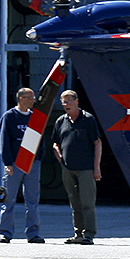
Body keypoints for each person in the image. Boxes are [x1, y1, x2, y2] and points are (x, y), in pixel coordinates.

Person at [52, 89, 102, 245]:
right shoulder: (61, 121)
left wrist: (96, 168)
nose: (65, 104)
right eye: (63, 101)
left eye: (68, 101)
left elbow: (97, 143)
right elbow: (55, 143)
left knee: (87, 202)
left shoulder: (88, 119)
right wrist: (60, 158)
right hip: (68, 169)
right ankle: (78, 234)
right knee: (75, 203)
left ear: (77, 101)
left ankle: (89, 234)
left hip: (86, 168)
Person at [0, 87, 43, 244]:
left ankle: (33, 233)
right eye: (30, 97)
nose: (33, 100)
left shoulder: (34, 117)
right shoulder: (9, 116)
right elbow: (4, 141)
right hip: (15, 163)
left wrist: (38, 158)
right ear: (21, 99)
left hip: (32, 163)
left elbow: (40, 138)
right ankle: (5, 233)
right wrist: (8, 163)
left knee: (32, 200)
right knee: (8, 199)